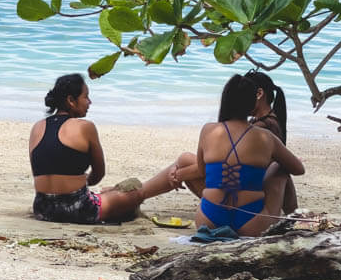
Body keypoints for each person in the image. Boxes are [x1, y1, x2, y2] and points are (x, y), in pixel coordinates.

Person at [28, 73, 182, 224]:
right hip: (79, 210)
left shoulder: (38, 127)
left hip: (43, 209)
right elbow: (99, 174)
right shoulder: (85, 127)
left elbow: (43, 169)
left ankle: (109, 194)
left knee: (109, 193)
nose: (90, 102)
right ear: (71, 101)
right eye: (86, 97)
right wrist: (83, 183)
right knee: (137, 192)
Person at [189, 74, 304, 236]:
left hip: (209, 218)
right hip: (252, 220)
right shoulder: (265, 136)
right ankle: (296, 217)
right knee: (281, 167)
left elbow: (202, 171)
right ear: (253, 102)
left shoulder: (208, 130)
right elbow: (299, 169)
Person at [244, 69, 298, 214]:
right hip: (257, 190)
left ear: (259, 94)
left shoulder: (262, 127)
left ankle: (293, 215)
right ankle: (293, 215)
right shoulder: (267, 122)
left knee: (184, 163)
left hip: (253, 196)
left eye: (242, 95)